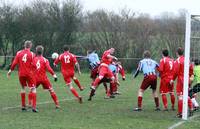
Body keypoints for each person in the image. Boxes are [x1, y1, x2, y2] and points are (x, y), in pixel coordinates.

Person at [7, 41, 38, 112]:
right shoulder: (32, 54)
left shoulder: (18, 53)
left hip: (21, 73)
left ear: (24, 45)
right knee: (33, 89)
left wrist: (10, 70)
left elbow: (14, 63)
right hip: (29, 74)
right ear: (30, 46)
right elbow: (34, 65)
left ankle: (23, 106)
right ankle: (34, 107)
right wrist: (35, 69)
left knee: (23, 88)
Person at [173, 47, 193, 118]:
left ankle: (180, 113)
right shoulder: (187, 59)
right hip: (187, 79)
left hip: (181, 80)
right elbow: (191, 69)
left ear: (177, 53)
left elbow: (175, 71)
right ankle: (191, 108)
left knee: (180, 96)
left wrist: (173, 79)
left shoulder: (177, 61)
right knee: (186, 95)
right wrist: (190, 76)